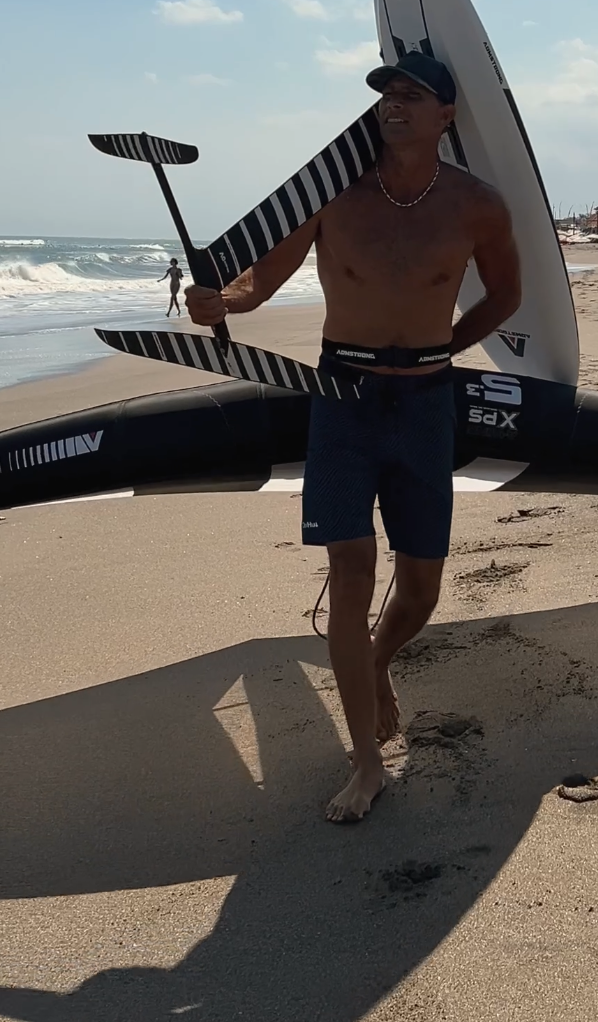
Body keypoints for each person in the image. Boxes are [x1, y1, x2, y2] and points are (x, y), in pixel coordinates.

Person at [186, 53, 521, 823]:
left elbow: (507, 294)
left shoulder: (477, 205)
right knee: (353, 564)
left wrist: (446, 347)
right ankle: (366, 760)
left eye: (412, 96)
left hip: (428, 401)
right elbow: (257, 284)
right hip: (341, 396)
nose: (393, 105)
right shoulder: (332, 195)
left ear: (447, 116)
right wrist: (217, 301)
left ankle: (375, 664)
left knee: (425, 581)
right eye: (385, 95)